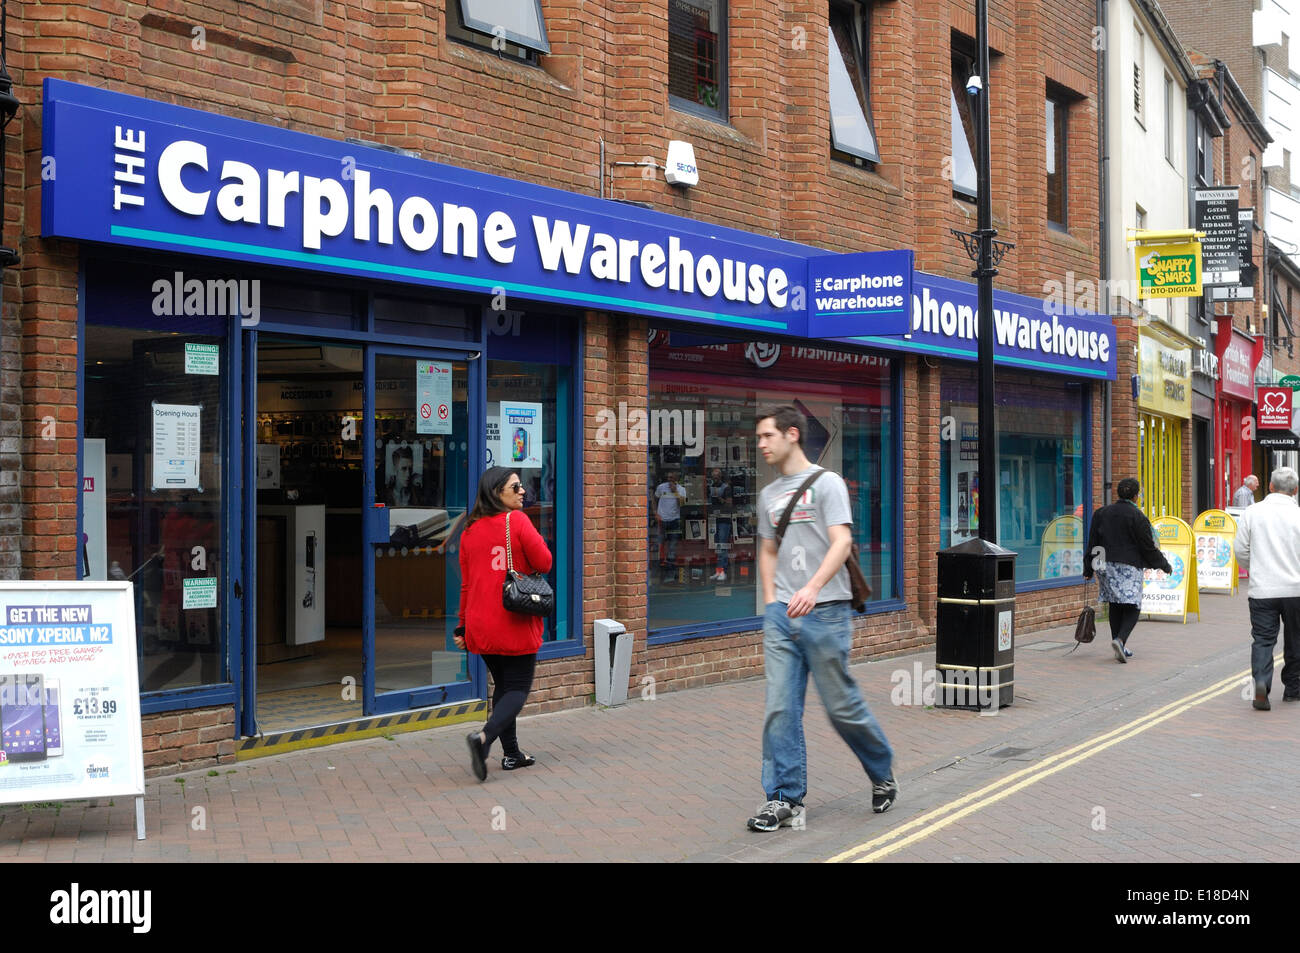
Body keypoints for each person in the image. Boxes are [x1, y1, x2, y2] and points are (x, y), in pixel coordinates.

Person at [747, 405, 897, 832]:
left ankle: (881, 771)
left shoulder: (827, 484)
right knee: (779, 708)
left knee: (841, 708)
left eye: (766, 436)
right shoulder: (768, 495)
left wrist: (812, 588)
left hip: (827, 613)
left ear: (791, 434)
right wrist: (773, 599)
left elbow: (841, 541)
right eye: (759, 438)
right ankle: (783, 797)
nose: (760, 445)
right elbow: (768, 549)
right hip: (781, 617)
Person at [455, 466, 553, 780]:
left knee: (504, 687)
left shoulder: (469, 531)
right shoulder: (517, 521)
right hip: (512, 620)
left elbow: (466, 585)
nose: (522, 490)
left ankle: (511, 754)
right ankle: (483, 740)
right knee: (518, 689)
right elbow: (545, 562)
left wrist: (461, 627)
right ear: (498, 492)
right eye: (515, 487)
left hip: (480, 625)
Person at [1083, 478, 1173, 663]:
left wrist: (1088, 568)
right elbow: (1147, 546)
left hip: (1105, 565)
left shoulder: (1101, 513)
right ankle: (1120, 640)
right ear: (1136, 495)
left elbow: (1092, 542)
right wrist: (1164, 564)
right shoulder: (1137, 516)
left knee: (1115, 604)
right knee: (1133, 605)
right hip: (1128, 565)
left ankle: (1120, 646)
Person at [1232, 466, 1300, 710]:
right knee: (1296, 640)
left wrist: (1256, 569)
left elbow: (1240, 549)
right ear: (1295, 490)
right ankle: (1293, 689)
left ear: (1270, 486)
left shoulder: (1252, 512)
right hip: (1295, 591)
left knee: (1262, 641)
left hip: (1262, 590)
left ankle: (1260, 688)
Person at [654, 469, 687, 572]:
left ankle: (670, 563)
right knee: (661, 541)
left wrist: (675, 492)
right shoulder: (661, 487)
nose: (669, 480)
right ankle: (661, 561)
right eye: (668, 477)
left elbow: (682, 504)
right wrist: (655, 512)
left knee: (673, 543)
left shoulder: (681, 489)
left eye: (671, 478)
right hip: (662, 519)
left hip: (674, 520)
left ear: (677, 479)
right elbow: (654, 499)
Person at [707, 467, 733, 582]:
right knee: (718, 546)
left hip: (724, 519)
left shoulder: (726, 488)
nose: (715, 478)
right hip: (715, 519)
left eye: (717, 476)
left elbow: (729, 504)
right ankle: (718, 571)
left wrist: (720, 498)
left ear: (720, 476)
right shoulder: (711, 487)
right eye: (713, 476)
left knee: (722, 545)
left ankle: (723, 571)